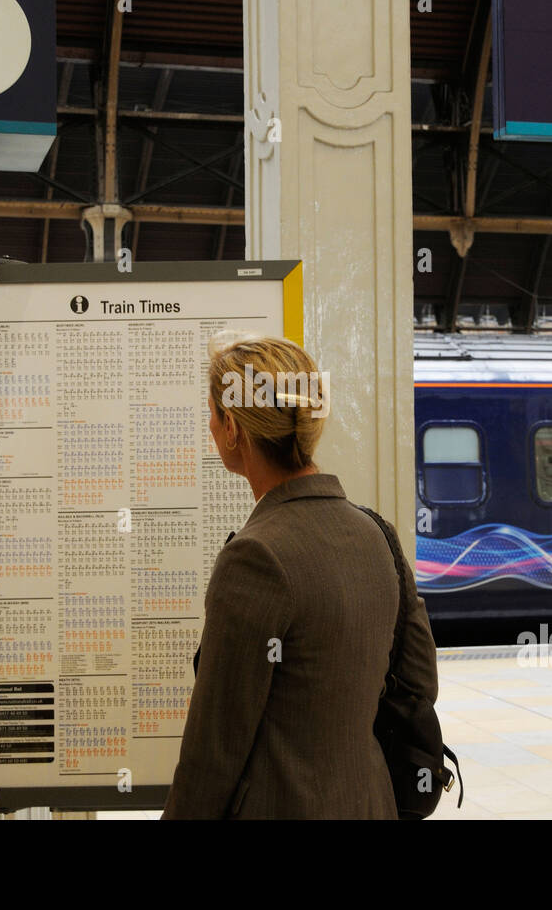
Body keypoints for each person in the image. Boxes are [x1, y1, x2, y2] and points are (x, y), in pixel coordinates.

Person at [161, 332, 439, 819]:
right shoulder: (378, 535)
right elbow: (419, 681)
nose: (209, 426)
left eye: (212, 414)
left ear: (232, 429)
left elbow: (213, 752)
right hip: (372, 802)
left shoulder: (255, 557)